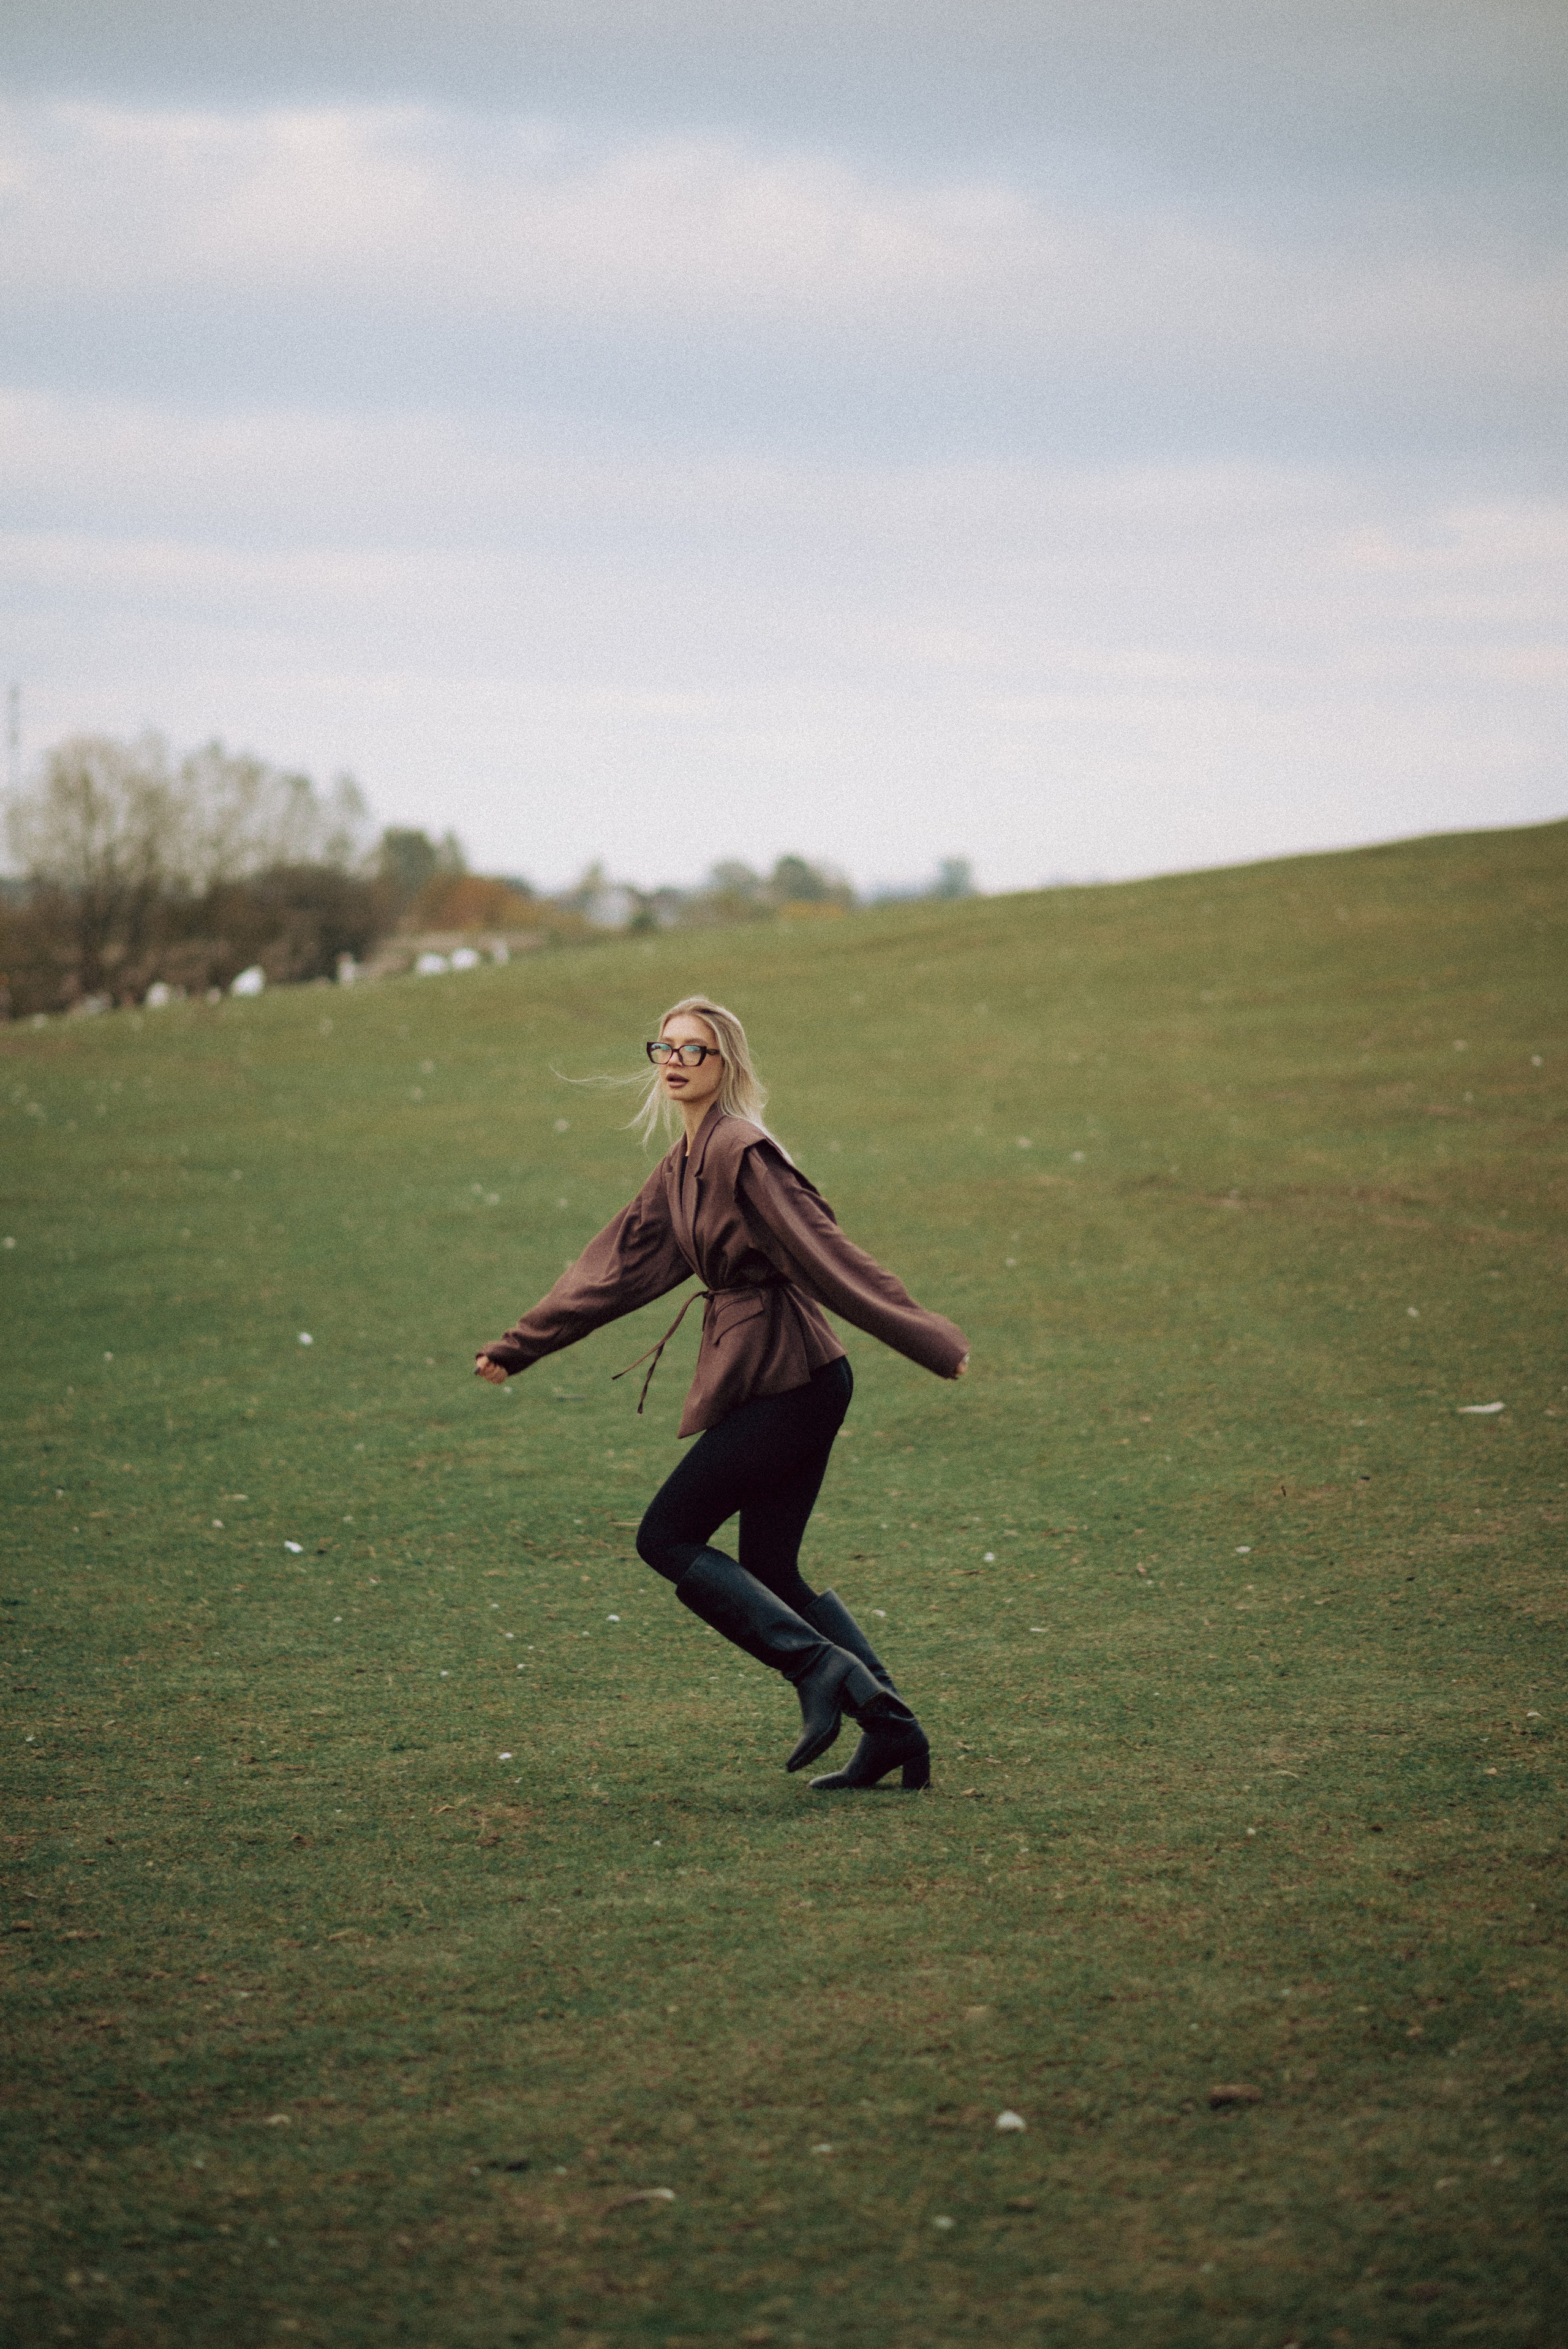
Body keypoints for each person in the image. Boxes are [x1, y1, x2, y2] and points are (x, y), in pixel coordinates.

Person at [475, 994, 969, 1790]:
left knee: (666, 1536)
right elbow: (617, 1268)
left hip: (796, 1379)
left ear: (725, 1064)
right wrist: (520, 1346)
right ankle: (893, 1730)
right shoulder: (683, 1165)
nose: (673, 1062)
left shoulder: (741, 1150)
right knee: (768, 1564)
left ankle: (821, 1675)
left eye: (693, 1050)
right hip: (772, 1374)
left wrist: (926, 1337)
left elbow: (822, 1247)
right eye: (663, 1048)